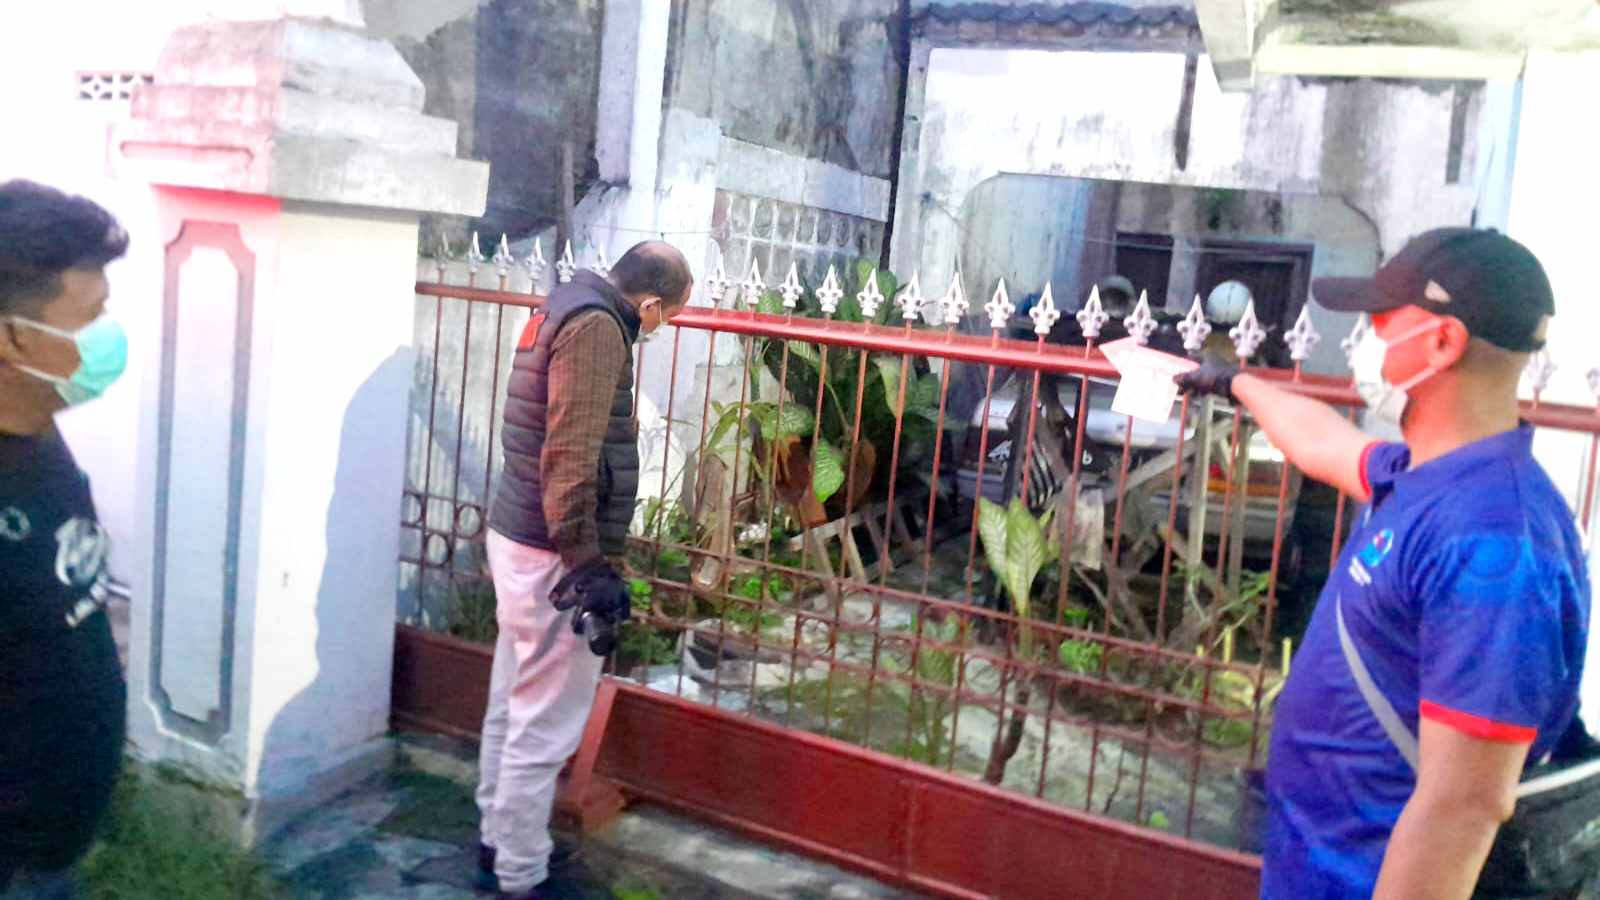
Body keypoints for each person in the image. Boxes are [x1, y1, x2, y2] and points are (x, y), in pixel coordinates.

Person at [1177, 228, 1591, 899]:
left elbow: (1463, 808)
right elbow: (1325, 442)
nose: (1365, 343)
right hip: (1317, 863)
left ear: (1443, 342)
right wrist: (1234, 382)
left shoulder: (1497, 545)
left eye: (1379, 325)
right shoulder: (1431, 477)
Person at [475, 241, 692, 899]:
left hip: (520, 535)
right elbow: (569, 456)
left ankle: (497, 841)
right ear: (649, 304)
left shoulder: (564, 305)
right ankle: (520, 874)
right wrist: (587, 565)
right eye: (668, 317)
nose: (660, 329)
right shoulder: (597, 331)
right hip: (553, 554)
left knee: (511, 700)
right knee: (543, 722)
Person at [0, 181, 130, 898]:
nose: (109, 336)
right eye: (91, 317)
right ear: (15, 338)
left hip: (53, 851)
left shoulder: (38, 426)